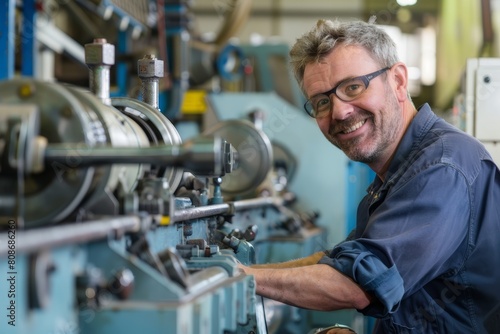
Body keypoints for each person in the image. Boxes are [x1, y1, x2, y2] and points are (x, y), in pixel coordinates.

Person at [238, 18, 500, 333]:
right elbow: (339, 263)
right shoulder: (395, 175)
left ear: (399, 81)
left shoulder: (442, 167)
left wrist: (241, 279)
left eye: (352, 87)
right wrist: (244, 272)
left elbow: (355, 284)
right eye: (322, 101)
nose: (339, 112)